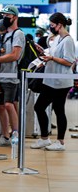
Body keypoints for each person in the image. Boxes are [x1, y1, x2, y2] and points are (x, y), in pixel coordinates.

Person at [30, 13, 75, 151]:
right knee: (39, 107)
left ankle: (60, 142)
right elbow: (53, 53)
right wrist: (43, 53)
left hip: (61, 82)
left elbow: (69, 61)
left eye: (52, 25)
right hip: (51, 80)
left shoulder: (68, 40)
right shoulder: (58, 39)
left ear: (59, 24)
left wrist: (51, 59)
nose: (50, 27)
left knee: (58, 110)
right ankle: (45, 139)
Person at [0, 5, 24, 147]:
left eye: (7, 16)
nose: (5, 18)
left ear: (14, 17)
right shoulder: (5, 35)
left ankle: (16, 136)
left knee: (9, 105)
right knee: (1, 106)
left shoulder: (18, 34)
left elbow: (15, 55)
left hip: (11, 75)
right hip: (0, 75)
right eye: (3, 15)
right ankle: (5, 136)